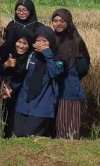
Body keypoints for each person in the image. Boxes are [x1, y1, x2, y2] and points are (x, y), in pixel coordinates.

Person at [13, 26, 64, 137]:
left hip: (42, 105)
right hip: (24, 103)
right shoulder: (31, 55)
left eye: (44, 41)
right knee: (18, 133)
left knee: (29, 134)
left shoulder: (57, 58)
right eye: (38, 40)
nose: (41, 44)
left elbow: (55, 73)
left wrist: (47, 54)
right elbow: (21, 74)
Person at [52, 9, 90, 139]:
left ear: (68, 22)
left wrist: (71, 75)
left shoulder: (76, 40)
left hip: (69, 88)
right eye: (55, 21)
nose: (58, 24)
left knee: (68, 127)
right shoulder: (52, 39)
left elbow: (83, 67)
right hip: (52, 88)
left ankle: (70, 153)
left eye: (62, 21)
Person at [0, 31, 34, 138]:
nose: (21, 46)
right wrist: (6, 64)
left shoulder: (31, 58)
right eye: (19, 42)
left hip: (22, 94)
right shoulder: (8, 53)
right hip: (5, 93)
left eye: (25, 43)